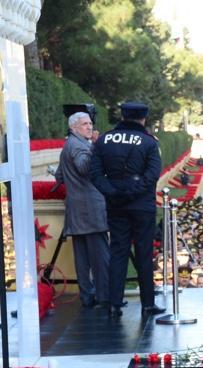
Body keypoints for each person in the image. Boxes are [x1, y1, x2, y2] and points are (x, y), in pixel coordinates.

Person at [89, 101, 163, 319]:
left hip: (115, 205)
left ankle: (114, 304)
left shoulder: (104, 139)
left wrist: (112, 192)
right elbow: (152, 175)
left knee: (118, 253)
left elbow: (94, 174)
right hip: (142, 206)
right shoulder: (149, 142)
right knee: (143, 254)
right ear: (143, 118)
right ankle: (147, 304)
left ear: (122, 116)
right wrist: (132, 192)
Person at [56, 111, 109, 309]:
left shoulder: (68, 144)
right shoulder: (79, 145)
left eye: (90, 123)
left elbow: (60, 176)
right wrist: (96, 146)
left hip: (77, 209)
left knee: (82, 257)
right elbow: (84, 167)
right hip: (92, 210)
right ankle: (105, 297)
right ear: (74, 128)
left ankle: (87, 296)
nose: (90, 127)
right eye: (85, 124)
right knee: (100, 256)